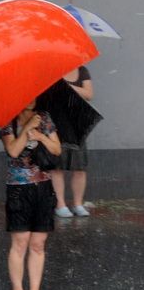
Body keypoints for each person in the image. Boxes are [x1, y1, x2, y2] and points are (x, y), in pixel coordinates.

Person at [0, 100, 61, 290]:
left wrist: (41, 136)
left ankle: (35, 289)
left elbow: (56, 149)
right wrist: (27, 128)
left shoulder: (44, 118)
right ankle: (18, 289)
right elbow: (13, 151)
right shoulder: (8, 121)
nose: (31, 98)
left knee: (38, 242)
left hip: (43, 187)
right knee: (20, 240)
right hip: (18, 189)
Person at [51, 65, 94, 218]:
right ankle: (60, 204)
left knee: (80, 167)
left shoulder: (82, 70)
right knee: (57, 166)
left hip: (77, 125)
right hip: (57, 124)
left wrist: (66, 87)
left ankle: (77, 204)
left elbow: (89, 94)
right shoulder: (53, 71)